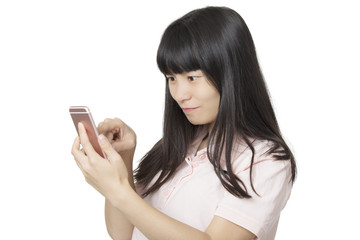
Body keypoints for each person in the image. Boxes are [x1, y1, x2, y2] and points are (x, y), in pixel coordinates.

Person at [71, 6, 297, 240]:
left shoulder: (265, 160)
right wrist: (124, 160)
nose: (179, 94)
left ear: (231, 73)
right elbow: (122, 233)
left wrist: (118, 191)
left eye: (192, 78)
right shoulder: (182, 144)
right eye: (171, 78)